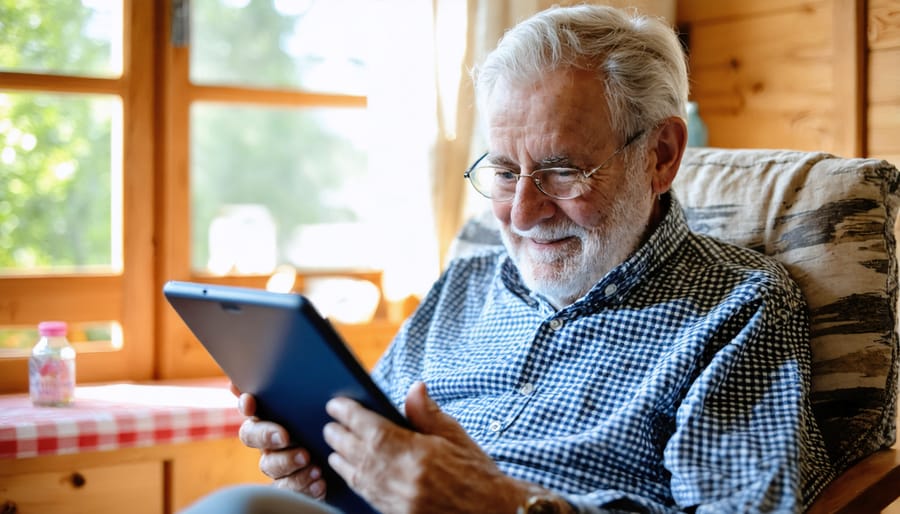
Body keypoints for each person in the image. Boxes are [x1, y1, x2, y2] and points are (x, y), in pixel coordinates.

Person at [184, 4, 835, 513]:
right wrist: (324, 469)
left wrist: (501, 506)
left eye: (560, 171)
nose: (521, 214)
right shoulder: (466, 282)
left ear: (660, 155)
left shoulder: (739, 306)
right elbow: (374, 447)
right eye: (502, 171)